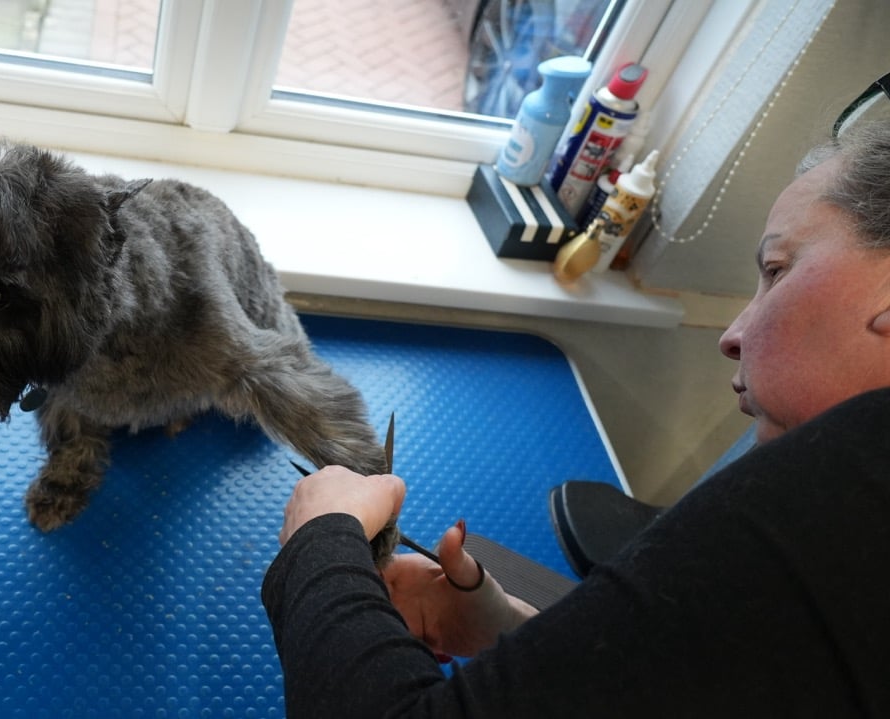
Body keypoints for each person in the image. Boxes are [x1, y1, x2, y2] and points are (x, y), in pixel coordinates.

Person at [261, 117, 890, 717]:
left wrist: (321, 542)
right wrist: (519, 637)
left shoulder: (842, 496)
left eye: (777, 270)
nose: (733, 333)